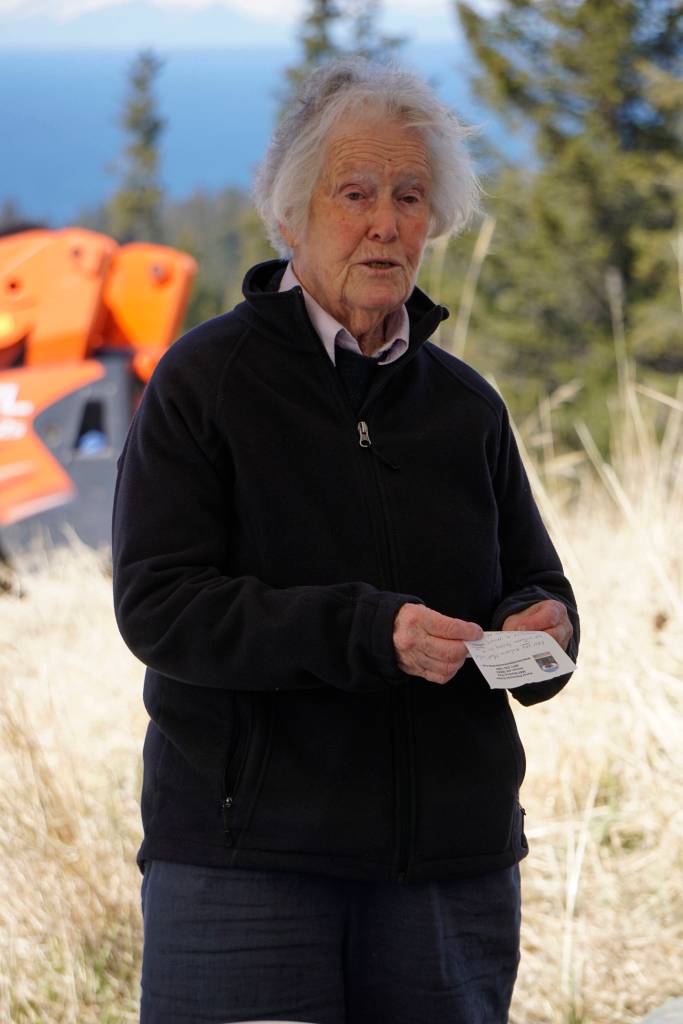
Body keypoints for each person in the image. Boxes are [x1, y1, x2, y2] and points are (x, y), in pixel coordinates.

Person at [112, 57, 579, 1024]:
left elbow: (534, 582)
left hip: (451, 871)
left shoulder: (466, 406)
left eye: (410, 196)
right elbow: (160, 607)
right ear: (290, 215)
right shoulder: (207, 384)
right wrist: (373, 634)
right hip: (248, 870)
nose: (385, 222)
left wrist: (541, 631)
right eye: (355, 192)